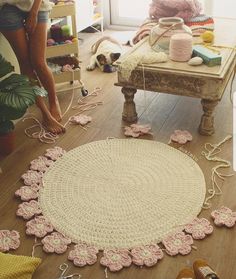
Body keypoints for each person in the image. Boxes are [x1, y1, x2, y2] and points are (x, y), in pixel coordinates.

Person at [0, 0, 65, 134]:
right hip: (8, 7)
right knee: (25, 64)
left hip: (37, 4)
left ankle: (54, 101)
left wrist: (34, 12)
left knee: (39, 62)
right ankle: (46, 114)